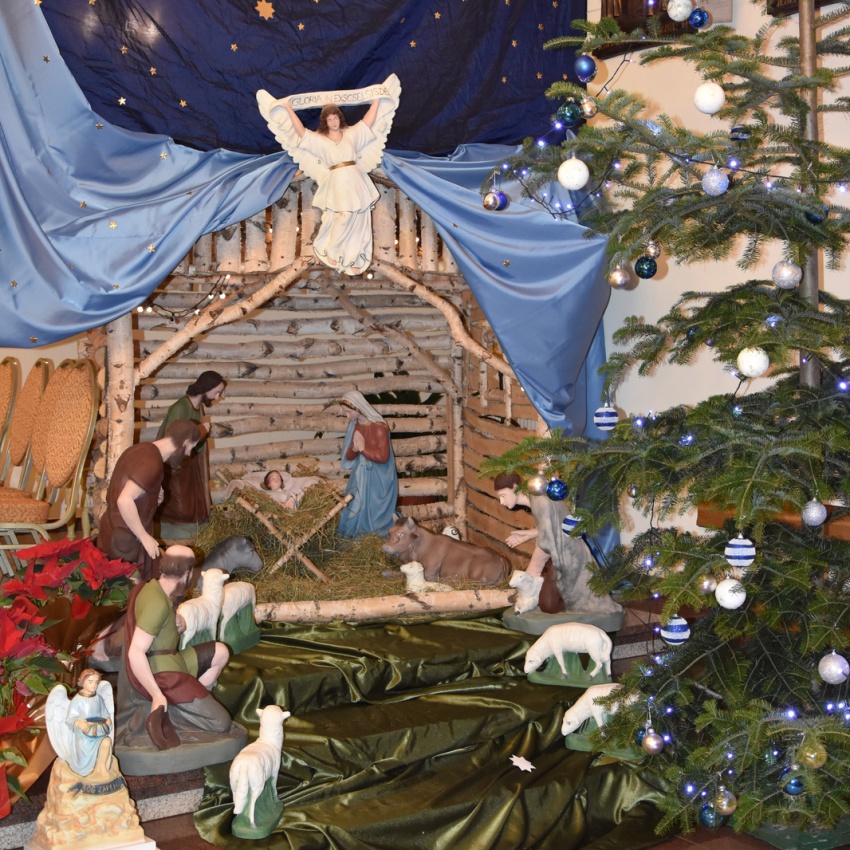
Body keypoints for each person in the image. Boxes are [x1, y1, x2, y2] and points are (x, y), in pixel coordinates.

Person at [257, 75, 401, 275]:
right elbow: (301, 132)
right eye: (329, 119)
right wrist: (288, 109)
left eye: (335, 118)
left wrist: (377, 100)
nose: (333, 121)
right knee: (344, 216)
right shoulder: (320, 140)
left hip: (355, 178)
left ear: (340, 118)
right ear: (325, 122)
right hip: (338, 181)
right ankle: (332, 250)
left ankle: (352, 258)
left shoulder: (352, 134)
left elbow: (368, 121)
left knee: (359, 218)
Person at [117, 545, 237, 752]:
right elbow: (135, 652)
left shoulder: (157, 588)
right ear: (187, 573)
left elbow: (160, 625)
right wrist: (156, 694)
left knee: (221, 652)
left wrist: (178, 622)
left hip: (175, 659)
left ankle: (190, 701)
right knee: (221, 723)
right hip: (164, 674)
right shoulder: (157, 604)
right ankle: (175, 711)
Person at [493, 472, 623, 620]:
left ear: (515, 487)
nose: (501, 502)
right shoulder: (538, 497)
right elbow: (553, 527)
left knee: (556, 603)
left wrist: (533, 571)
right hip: (564, 551)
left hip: (569, 556)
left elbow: (548, 539)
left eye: (503, 495)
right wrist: (529, 534)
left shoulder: (540, 502)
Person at [96, 419, 201, 581]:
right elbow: (124, 500)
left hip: (116, 532)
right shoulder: (152, 462)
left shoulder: (141, 449)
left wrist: (152, 498)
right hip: (125, 540)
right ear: (185, 442)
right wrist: (144, 536)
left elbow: (126, 490)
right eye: (190, 448)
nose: (188, 454)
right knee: (130, 588)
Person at [156, 371, 226, 526]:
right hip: (175, 467)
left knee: (192, 505)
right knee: (180, 506)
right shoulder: (179, 408)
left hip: (190, 464)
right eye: (216, 392)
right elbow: (172, 441)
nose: (217, 397)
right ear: (206, 387)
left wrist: (201, 434)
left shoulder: (198, 408)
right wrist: (201, 430)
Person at [337, 391, 398, 538]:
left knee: (372, 507)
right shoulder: (355, 426)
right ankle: (356, 533)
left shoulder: (379, 428)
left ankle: (372, 535)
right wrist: (355, 449)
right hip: (360, 475)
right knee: (356, 503)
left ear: (358, 408)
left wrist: (363, 449)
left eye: (349, 412)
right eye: (345, 412)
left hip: (378, 477)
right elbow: (349, 455)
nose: (347, 416)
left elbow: (383, 457)